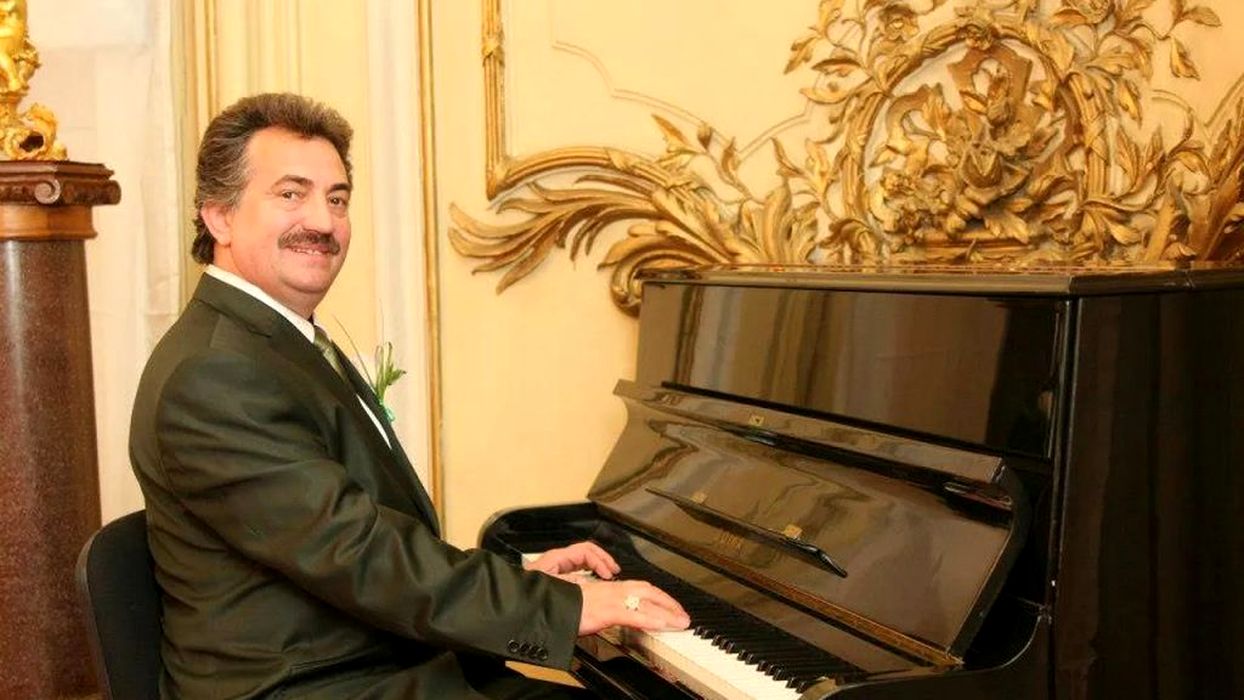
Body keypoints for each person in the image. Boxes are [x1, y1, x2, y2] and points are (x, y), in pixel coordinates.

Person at [129, 92, 689, 699]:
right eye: (291, 194)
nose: (323, 222)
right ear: (219, 217)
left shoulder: (271, 341)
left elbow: (351, 540)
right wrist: (559, 605)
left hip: (369, 661)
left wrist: (519, 576)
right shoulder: (216, 372)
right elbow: (358, 552)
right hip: (314, 686)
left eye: (337, 198)